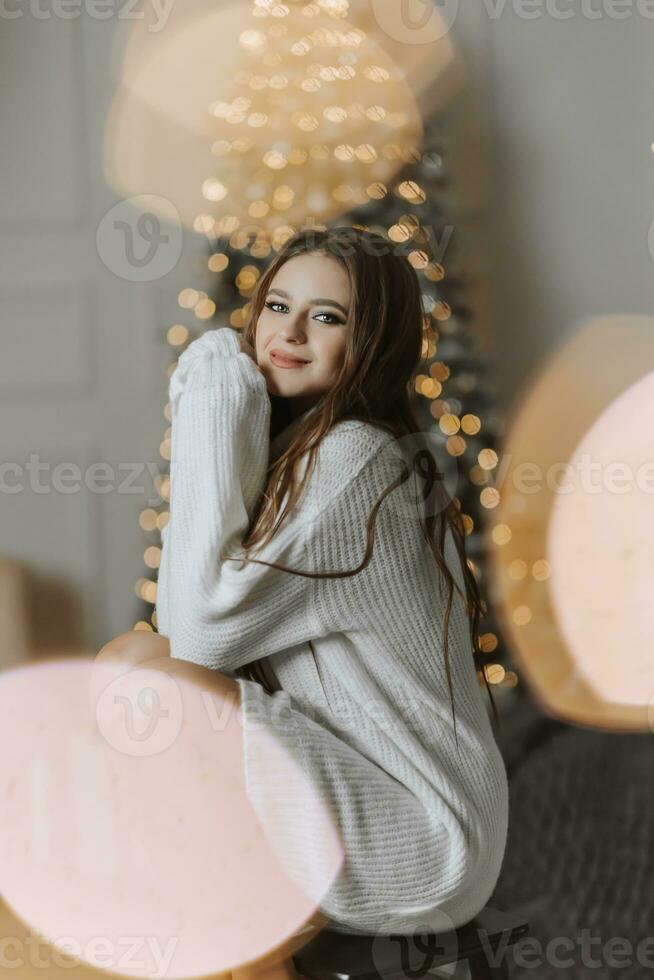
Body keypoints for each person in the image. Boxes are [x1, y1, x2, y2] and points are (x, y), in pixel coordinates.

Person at [125, 227, 509, 958]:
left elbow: (198, 642)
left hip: (427, 834)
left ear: (373, 344)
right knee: (136, 661)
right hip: (380, 796)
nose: (289, 333)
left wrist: (210, 392)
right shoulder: (298, 450)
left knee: (151, 679)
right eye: (276, 305)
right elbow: (179, 632)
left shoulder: (355, 459)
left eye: (327, 317)